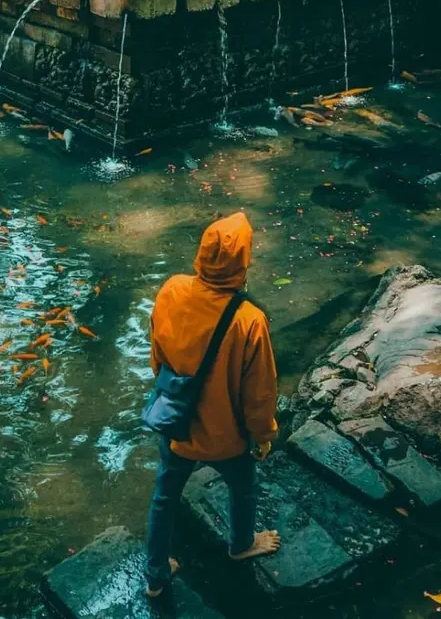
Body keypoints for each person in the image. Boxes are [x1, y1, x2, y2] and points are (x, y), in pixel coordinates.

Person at [145, 211, 280, 597]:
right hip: (227, 437)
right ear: (243, 262)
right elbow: (260, 393)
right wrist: (263, 434)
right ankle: (241, 545)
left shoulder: (171, 289)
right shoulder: (249, 319)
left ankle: (155, 576)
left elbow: (157, 356)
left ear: (202, 255)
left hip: (177, 425)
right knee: (244, 487)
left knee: (164, 497)